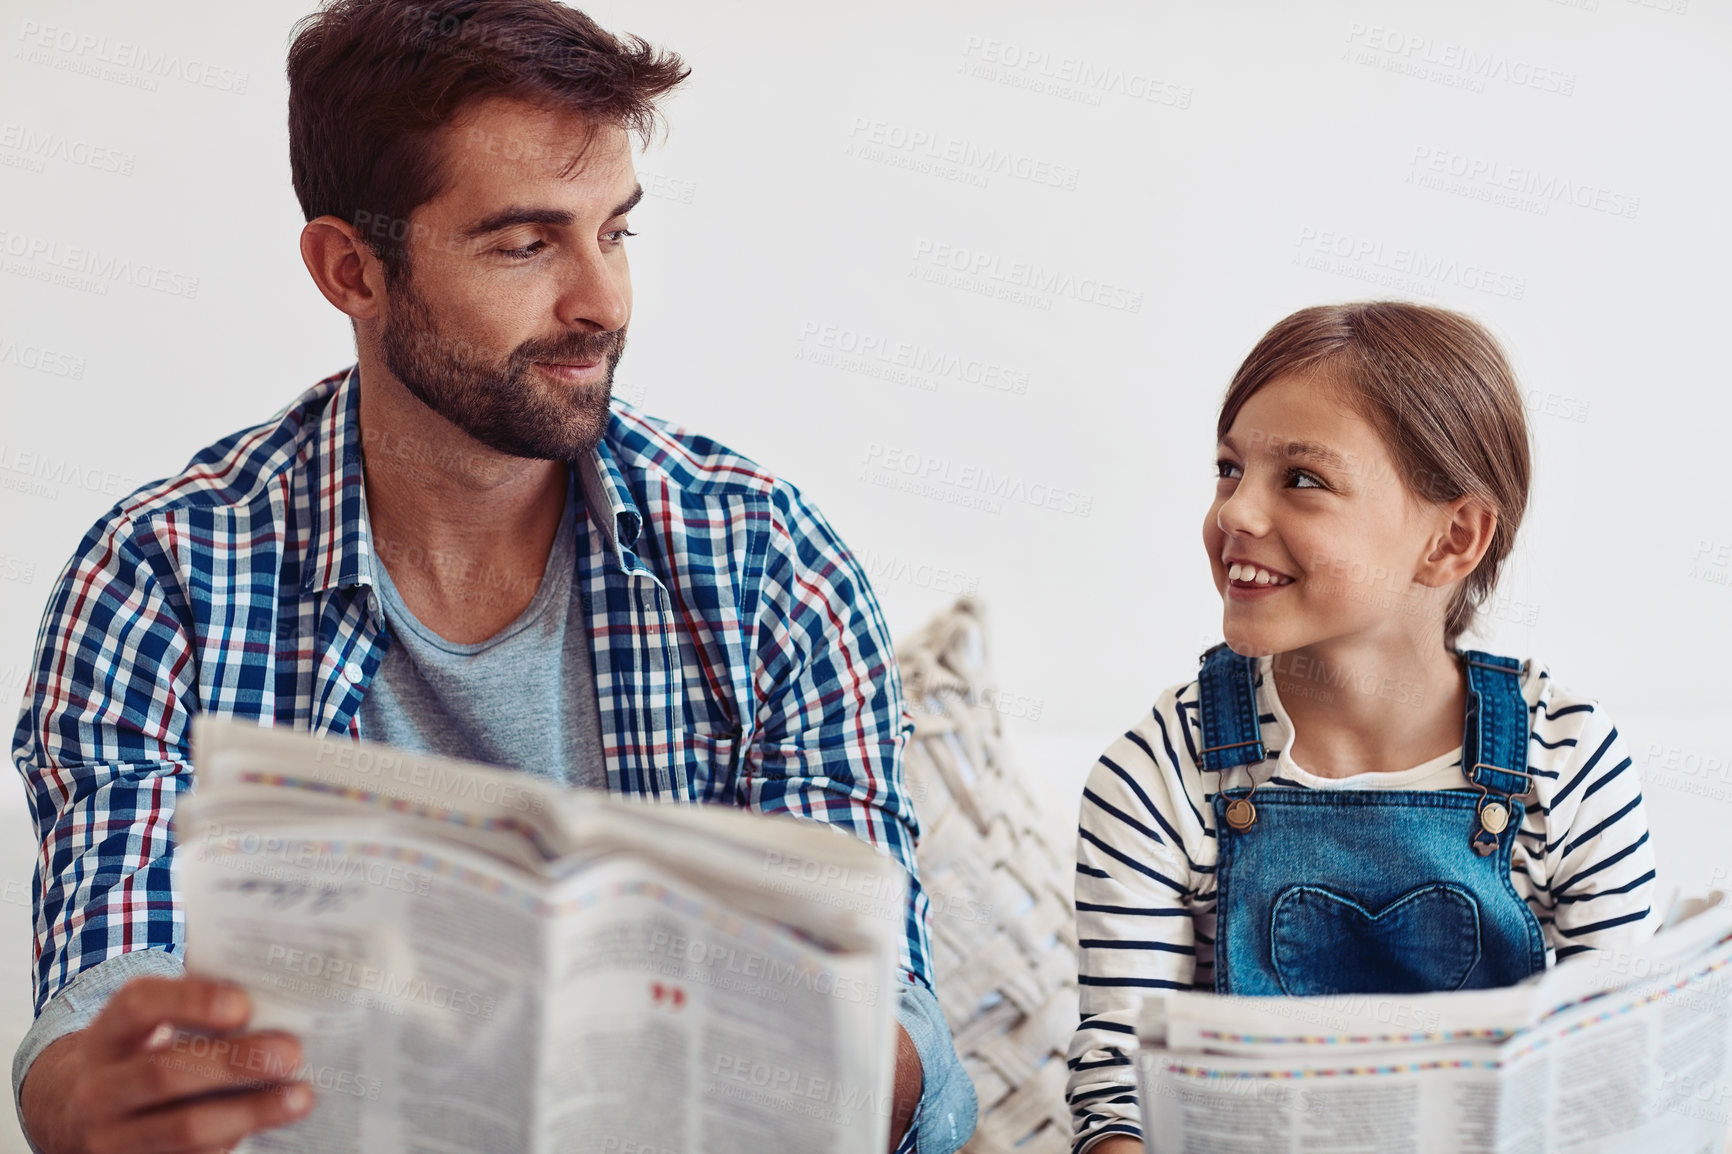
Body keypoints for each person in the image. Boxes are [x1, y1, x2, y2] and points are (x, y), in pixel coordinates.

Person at [9, 2, 977, 1151]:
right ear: (350, 268)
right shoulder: (160, 575)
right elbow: (109, 979)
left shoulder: (771, 566)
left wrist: (830, 1070)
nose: (601, 303)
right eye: (524, 243)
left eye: (614, 232)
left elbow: (892, 1007)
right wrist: (86, 1091)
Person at [1063, 302, 1659, 1152]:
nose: (1235, 512)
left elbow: (1615, 1073)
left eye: (1300, 479)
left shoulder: (1569, 760)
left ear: (1452, 540)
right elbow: (1120, 1088)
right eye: (1230, 469)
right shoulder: (1158, 773)